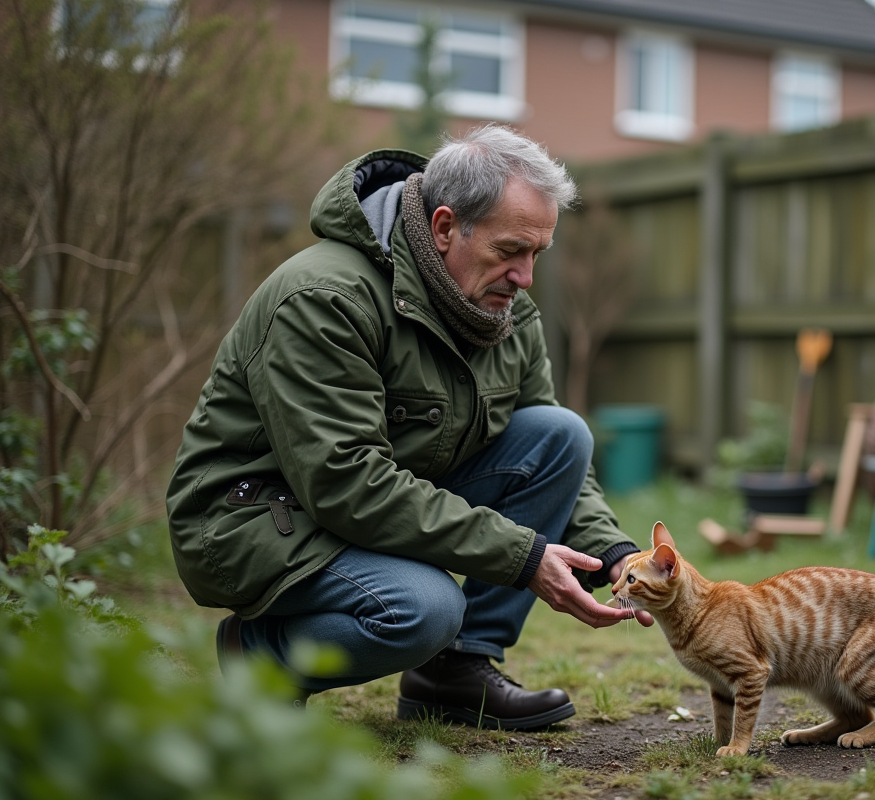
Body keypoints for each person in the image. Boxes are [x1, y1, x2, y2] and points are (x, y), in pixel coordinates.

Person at [165, 125, 652, 731]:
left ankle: (453, 674)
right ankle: (259, 656)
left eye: (537, 254)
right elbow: (345, 480)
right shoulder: (324, 296)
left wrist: (617, 556)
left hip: (370, 504)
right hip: (259, 516)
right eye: (510, 251)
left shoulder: (502, 312)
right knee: (422, 609)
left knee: (560, 433)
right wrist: (522, 557)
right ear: (446, 227)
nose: (526, 277)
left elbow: (551, 462)